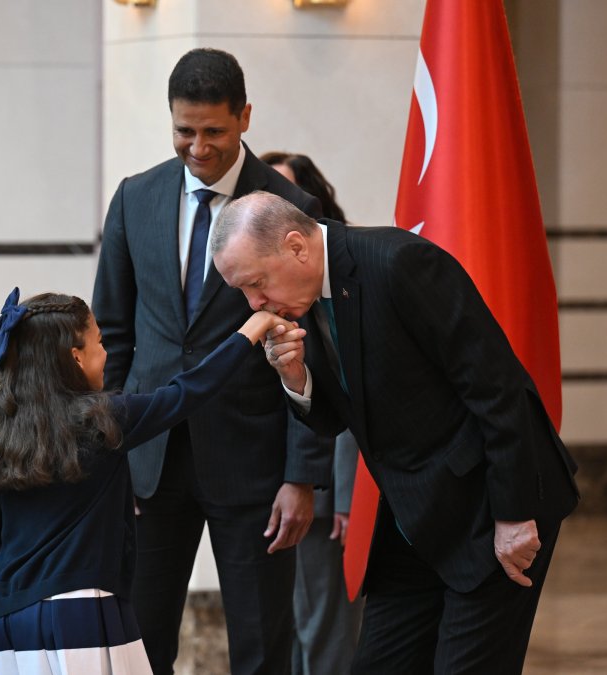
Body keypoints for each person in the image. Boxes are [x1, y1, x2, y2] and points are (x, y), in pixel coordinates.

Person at [210, 192, 580, 674]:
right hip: (414, 516)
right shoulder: (304, 299)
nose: (254, 304)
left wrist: (514, 515)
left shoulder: (400, 263)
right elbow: (335, 418)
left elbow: (500, 391)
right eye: (243, 291)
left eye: (256, 284)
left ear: (297, 246)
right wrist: (296, 378)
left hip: (489, 505)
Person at [92, 47, 333, 674]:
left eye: (214, 132)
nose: (198, 147)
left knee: (261, 646)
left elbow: (317, 354)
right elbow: (111, 337)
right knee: (139, 643)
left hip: (254, 470)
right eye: (184, 131)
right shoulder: (135, 198)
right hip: (150, 461)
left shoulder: (292, 207)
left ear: (245, 117)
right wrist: (113, 449)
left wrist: (300, 475)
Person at [0, 289, 290, 675]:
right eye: (100, 343)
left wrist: (1, 605)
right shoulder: (102, 421)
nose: (106, 354)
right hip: (83, 608)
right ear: (76, 357)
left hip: (10, 619)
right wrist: (250, 330)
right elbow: (189, 391)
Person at [260, 151, 363, 675]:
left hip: (324, 496)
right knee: (292, 630)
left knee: (326, 633)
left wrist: (345, 494)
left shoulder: (336, 282)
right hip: (269, 487)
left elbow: (349, 397)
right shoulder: (261, 284)